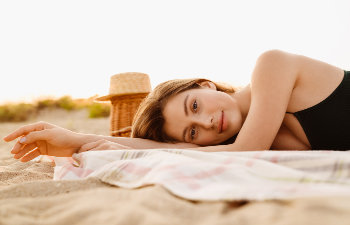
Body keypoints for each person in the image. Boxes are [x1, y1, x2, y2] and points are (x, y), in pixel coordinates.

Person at [3, 50, 350, 162]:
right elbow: (172, 148)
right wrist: (75, 138)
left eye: (195, 105)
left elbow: (245, 150)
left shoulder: (271, 65)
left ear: (204, 83)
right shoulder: (242, 139)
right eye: (193, 131)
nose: (209, 122)